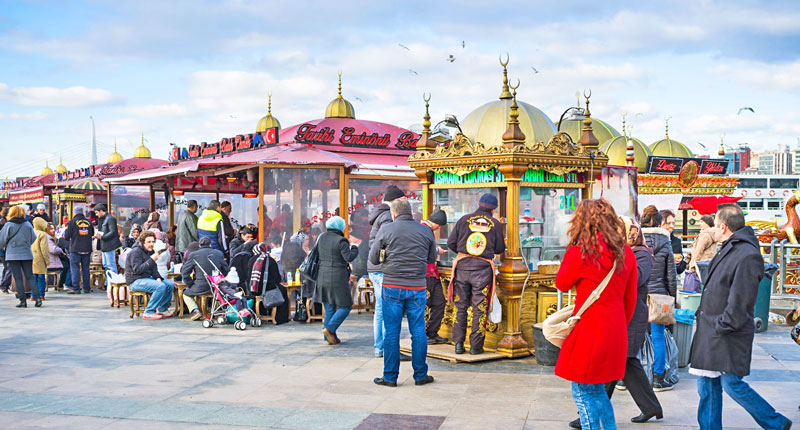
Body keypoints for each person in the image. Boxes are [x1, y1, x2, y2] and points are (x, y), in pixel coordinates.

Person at [689, 204, 792, 430]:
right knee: (707, 386)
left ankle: (776, 423)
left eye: (715, 226)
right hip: (714, 329)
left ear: (723, 227)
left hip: (725, 332)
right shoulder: (730, 248)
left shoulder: (746, 254)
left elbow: (741, 301)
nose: (713, 231)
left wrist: (721, 325)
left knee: (731, 384)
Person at [555, 199, 637, 430]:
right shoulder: (626, 252)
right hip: (615, 330)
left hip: (588, 331)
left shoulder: (582, 251)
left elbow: (561, 283)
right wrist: (618, 325)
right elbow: (629, 301)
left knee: (582, 390)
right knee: (598, 390)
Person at [370, 197, 437, 387]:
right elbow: (431, 258)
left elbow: (374, 258)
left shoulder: (386, 229)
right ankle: (420, 375)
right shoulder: (425, 230)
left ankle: (390, 377)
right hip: (417, 286)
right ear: (411, 212)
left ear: (394, 213)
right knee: (418, 330)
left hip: (392, 286)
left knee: (392, 331)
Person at [446, 192, 505, 355]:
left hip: (462, 269)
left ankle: (458, 344)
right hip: (482, 271)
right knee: (480, 308)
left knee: (460, 306)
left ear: (478, 205)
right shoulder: (495, 223)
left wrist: (463, 252)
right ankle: (475, 347)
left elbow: (451, 243)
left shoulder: (463, 219)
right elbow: (500, 249)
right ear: (493, 210)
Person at [640, 205, 677, 391]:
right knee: (658, 337)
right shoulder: (665, 239)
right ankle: (658, 379)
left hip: (638, 295)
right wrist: (673, 296)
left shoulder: (635, 238)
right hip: (659, 295)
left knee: (633, 336)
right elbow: (671, 273)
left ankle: (624, 378)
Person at [367, 184, 406, 358]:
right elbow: (390, 242)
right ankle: (385, 348)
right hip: (382, 268)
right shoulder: (388, 217)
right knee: (386, 309)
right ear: (396, 201)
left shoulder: (380, 215)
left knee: (381, 309)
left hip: (376, 268)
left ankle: (380, 347)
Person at [313, 216, 359, 345]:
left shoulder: (321, 238)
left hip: (322, 276)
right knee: (346, 306)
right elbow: (348, 257)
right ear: (340, 227)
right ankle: (330, 328)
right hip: (337, 277)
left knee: (329, 308)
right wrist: (355, 247)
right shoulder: (341, 241)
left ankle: (329, 337)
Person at [125, 230, 174, 320]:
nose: (151, 244)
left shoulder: (150, 251)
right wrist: (151, 260)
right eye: (149, 242)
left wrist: (158, 277)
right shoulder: (135, 252)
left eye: (153, 242)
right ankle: (149, 311)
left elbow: (153, 269)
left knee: (169, 284)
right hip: (135, 280)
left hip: (147, 278)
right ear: (143, 242)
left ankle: (162, 309)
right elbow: (137, 270)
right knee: (160, 287)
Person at [0, 206, 41, 307]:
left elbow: (1, 240)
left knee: (18, 278)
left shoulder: (8, 225)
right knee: (30, 276)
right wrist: (26, 245)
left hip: (13, 254)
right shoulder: (27, 224)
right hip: (26, 253)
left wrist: (6, 247)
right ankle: (38, 298)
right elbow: (33, 238)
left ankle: (23, 301)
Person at [181, 237, 228, 321]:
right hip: (216, 285)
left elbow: (185, 273)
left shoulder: (193, 255)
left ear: (199, 245)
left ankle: (196, 311)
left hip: (200, 286)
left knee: (185, 294)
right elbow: (226, 270)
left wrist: (191, 284)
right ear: (210, 245)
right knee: (222, 292)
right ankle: (220, 311)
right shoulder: (218, 253)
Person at [422, 209, 449, 344]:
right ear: (437, 223)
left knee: (439, 302)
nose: (439, 228)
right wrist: (438, 250)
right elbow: (426, 250)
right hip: (425, 274)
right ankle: (422, 334)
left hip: (433, 273)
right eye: (440, 225)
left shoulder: (427, 229)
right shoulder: (424, 229)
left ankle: (432, 333)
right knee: (423, 305)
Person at [64, 206, 94, 294]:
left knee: (75, 269)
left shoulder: (71, 222)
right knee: (86, 269)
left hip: (75, 248)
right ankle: (86, 288)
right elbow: (92, 233)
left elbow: (66, 237)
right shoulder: (89, 222)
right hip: (87, 248)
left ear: (74, 212)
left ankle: (76, 288)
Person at [94, 204, 121, 285]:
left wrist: (102, 237)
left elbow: (113, 232)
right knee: (106, 265)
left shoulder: (110, 219)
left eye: (97, 212)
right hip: (104, 245)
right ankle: (108, 282)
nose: (96, 215)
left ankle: (113, 283)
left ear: (101, 211)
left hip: (109, 245)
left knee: (111, 265)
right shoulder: (104, 219)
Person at [659, 209, 686, 275]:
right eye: (668, 223)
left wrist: (678, 263)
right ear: (659, 224)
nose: (672, 226)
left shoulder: (676, 242)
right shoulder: (650, 240)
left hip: (670, 282)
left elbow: (680, 269)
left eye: (673, 223)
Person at [31, 217, 50, 300]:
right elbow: (44, 249)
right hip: (40, 258)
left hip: (30, 258)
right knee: (41, 277)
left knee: (32, 278)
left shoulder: (30, 232)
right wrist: (47, 260)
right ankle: (41, 295)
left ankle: (33, 295)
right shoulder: (42, 234)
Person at [45, 223, 65, 295]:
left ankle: (60, 284)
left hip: (52, 260)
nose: (53, 230)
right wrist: (60, 250)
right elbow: (53, 250)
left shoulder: (50, 237)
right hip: (51, 261)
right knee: (66, 265)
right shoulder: (48, 238)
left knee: (66, 264)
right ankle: (60, 284)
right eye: (51, 229)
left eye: (54, 229)